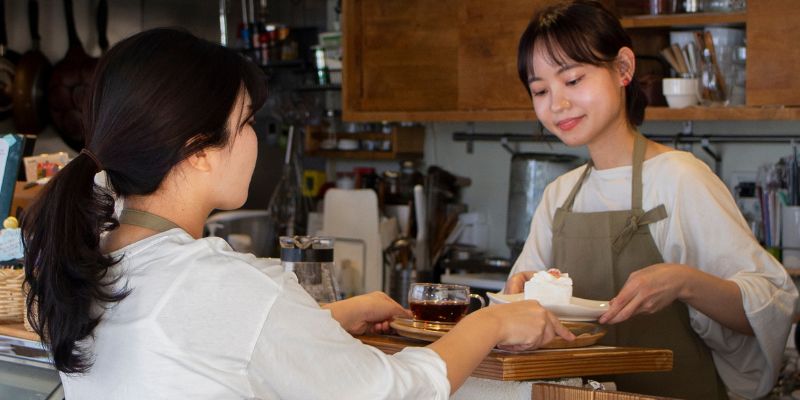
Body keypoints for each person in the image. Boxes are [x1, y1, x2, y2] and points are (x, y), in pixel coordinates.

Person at [21, 28, 573, 399]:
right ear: (199, 147)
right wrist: (492, 320)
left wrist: (324, 320)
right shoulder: (219, 284)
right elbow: (397, 391)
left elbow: (207, 344)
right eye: (246, 123)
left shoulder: (94, 261)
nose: (255, 141)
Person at [504, 1, 798, 399]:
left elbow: (771, 304)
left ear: (623, 68)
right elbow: (518, 314)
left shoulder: (679, 176)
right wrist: (520, 294)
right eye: (540, 90)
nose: (556, 104)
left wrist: (685, 282)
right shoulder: (560, 195)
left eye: (573, 80)